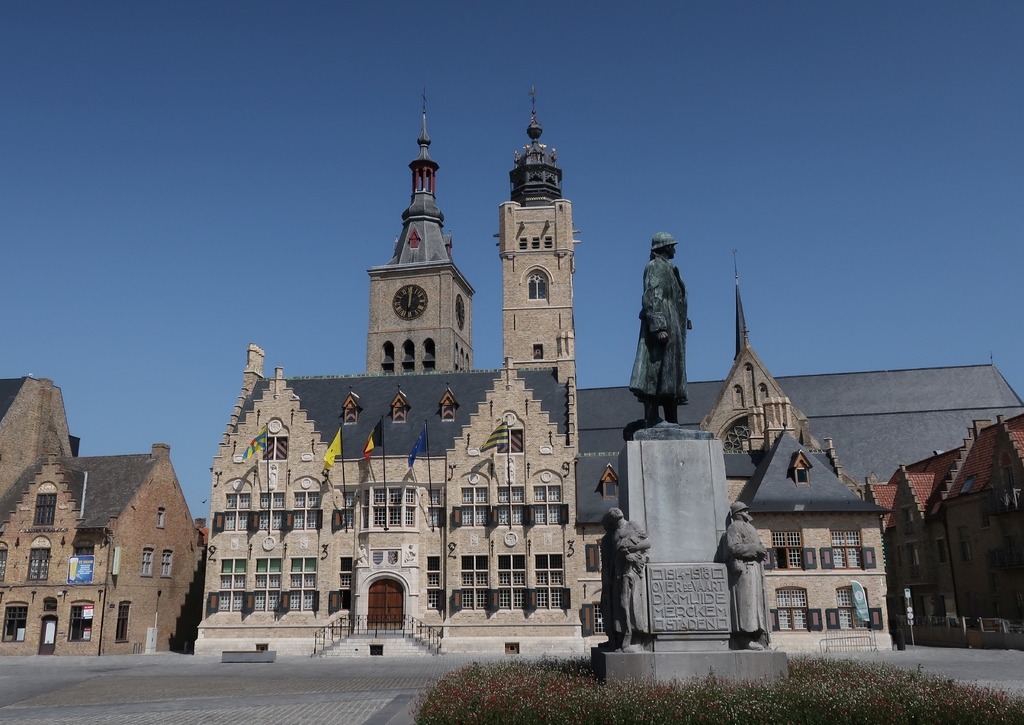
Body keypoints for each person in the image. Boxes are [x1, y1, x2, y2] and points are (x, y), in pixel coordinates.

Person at [629, 232, 689, 426]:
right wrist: (658, 327)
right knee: (654, 372)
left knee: (671, 375)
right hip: (662, 325)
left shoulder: (670, 269)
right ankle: (652, 416)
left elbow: (675, 300)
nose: (675, 248)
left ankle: (673, 420)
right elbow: (652, 296)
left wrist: (683, 321)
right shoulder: (654, 267)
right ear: (664, 247)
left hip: (673, 324)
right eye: (672, 245)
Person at [600, 508, 652, 652]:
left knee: (628, 603)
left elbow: (646, 543)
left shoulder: (632, 525)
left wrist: (631, 547)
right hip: (618, 571)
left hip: (631, 570)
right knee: (619, 604)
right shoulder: (613, 534)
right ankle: (622, 634)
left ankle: (632, 635)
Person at [725, 501, 771, 650]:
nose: (747, 513)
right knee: (746, 603)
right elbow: (733, 548)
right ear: (738, 513)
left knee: (756, 604)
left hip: (755, 569)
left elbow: (759, 544)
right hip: (744, 569)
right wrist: (754, 548)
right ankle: (744, 638)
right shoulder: (734, 527)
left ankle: (757, 635)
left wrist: (761, 549)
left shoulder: (751, 528)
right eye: (744, 511)